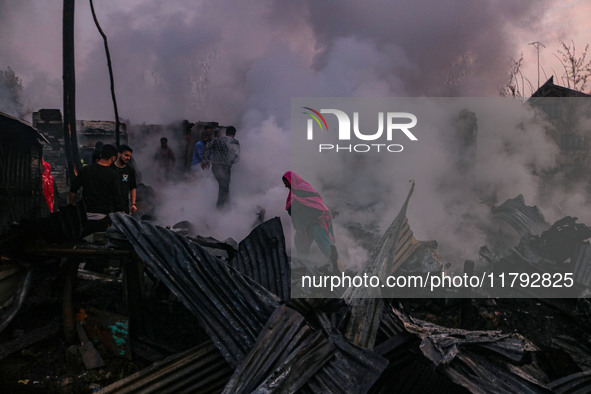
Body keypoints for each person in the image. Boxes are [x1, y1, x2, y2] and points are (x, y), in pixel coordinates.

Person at [282, 171, 341, 273]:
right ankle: (305, 266)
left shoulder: (304, 189)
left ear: (292, 180)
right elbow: (292, 210)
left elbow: (315, 204)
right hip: (305, 225)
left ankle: (337, 265)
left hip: (315, 222)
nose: (285, 185)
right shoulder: (293, 194)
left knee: (324, 242)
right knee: (299, 242)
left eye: (286, 182)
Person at [69, 144, 125, 237]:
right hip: (102, 217)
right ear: (113, 158)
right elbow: (117, 197)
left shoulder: (86, 170)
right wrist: (122, 214)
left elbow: (73, 189)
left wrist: (71, 205)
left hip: (85, 216)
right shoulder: (113, 175)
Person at [201, 126, 240, 208]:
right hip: (226, 168)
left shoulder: (216, 140)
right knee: (224, 186)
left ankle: (225, 205)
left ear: (226, 132)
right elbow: (237, 158)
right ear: (234, 134)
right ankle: (221, 208)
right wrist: (231, 161)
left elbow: (207, 148)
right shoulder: (235, 142)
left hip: (215, 167)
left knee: (224, 186)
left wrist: (204, 160)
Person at [112, 144, 138, 214]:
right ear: (119, 154)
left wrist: (133, 203)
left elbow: (133, 187)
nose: (128, 158)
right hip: (111, 206)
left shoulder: (130, 170)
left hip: (124, 206)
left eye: (129, 156)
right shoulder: (111, 168)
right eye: (126, 155)